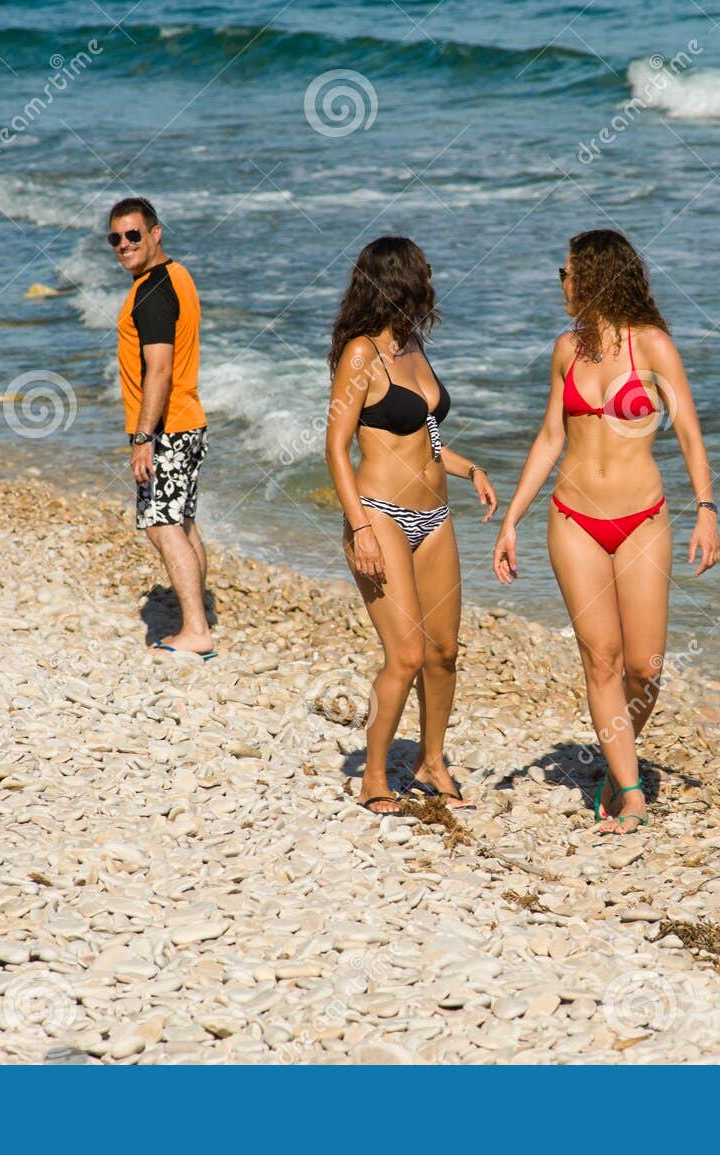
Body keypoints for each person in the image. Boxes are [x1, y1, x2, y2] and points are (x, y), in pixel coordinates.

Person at [493, 229, 720, 834]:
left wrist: (706, 508)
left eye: (566, 273)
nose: (560, 283)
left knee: (644, 667)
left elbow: (690, 432)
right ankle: (628, 789)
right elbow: (549, 438)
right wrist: (511, 519)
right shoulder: (566, 350)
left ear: (593, 276)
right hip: (573, 518)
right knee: (602, 658)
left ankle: (615, 755)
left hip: (643, 516)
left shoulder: (653, 348)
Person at [324, 237, 498, 815]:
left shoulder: (414, 346)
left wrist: (468, 467)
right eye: (423, 269)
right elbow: (336, 447)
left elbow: (425, 438)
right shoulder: (360, 355)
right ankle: (374, 776)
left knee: (444, 651)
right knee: (405, 655)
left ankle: (430, 759)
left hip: (436, 515)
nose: (431, 274)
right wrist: (360, 529)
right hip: (379, 514)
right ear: (399, 279)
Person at [110, 196, 213, 658]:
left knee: (161, 524)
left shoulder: (151, 291)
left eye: (134, 234)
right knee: (183, 523)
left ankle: (195, 630)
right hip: (189, 419)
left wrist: (143, 438)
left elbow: (160, 369)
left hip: (167, 428)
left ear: (156, 233)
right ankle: (198, 617)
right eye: (115, 238)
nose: (124, 244)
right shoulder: (178, 276)